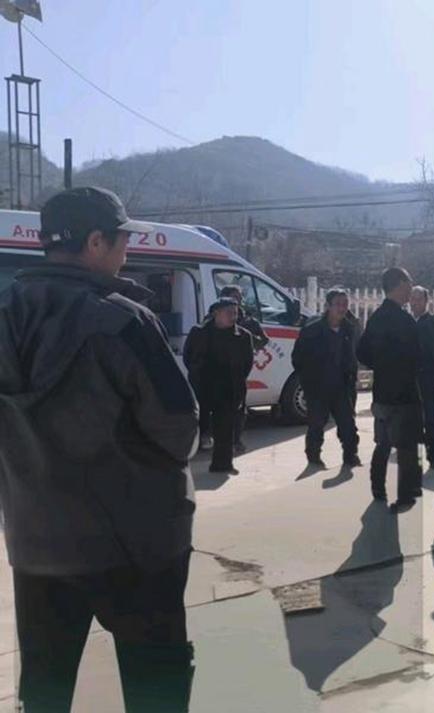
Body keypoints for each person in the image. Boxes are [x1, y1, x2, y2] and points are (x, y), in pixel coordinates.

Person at [0, 187, 199, 711]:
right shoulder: (122, 321)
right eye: (122, 241)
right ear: (95, 242)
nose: (126, 253)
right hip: (134, 545)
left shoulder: (5, 314)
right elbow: (179, 429)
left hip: (36, 542)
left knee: (45, 686)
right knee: (155, 686)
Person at [356, 268, 424, 513]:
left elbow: (362, 353)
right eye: (409, 284)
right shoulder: (405, 321)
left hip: (383, 392)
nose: (411, 290)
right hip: (404, 394)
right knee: (406, 447)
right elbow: (417, 357)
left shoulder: (376, 318)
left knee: (383, 443)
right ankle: (406, 495)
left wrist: (381, 365)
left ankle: (378, 489)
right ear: (400, 284)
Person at [183, 298, 255, 475]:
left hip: (228, 387)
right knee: (197, 424)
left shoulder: (243, 336)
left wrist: (238, 380)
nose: (233, 317)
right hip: (203, 385)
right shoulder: (199, 332)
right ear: (216, 313)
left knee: (225, 427)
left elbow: (247, 363)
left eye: (235, 313)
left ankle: (222, 464)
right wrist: (196, 373)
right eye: (229, 313)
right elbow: (188, 357)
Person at [292, 288, 361, 469]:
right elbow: (298, 358)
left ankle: (350, 455)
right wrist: (308, 381)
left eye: (345, 304)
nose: (342, 308)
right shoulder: (312, 330)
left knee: (347, 424)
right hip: (318, 386)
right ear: (328, 306)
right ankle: (314, 457)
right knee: (316, 424)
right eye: (338, 304)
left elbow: (354, 356)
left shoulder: (349, 329)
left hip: (342, 386)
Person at [219, 285, 269, 455]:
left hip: (238, 372)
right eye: (234, 297)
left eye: (239, 297)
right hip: (217, 372)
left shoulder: (248, 321)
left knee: (239, 410)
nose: (238, 301)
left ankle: (236, 441)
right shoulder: (214, 319)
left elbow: (263, 340)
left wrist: (247, 338)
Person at [409, 286, 434, 471]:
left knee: (431, 418)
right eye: (412, 299)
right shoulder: (406, 323)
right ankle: (416, 459)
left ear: (426, 301)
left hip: (428, 378)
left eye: (419, 299)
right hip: (410, 379)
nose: (415, 303)